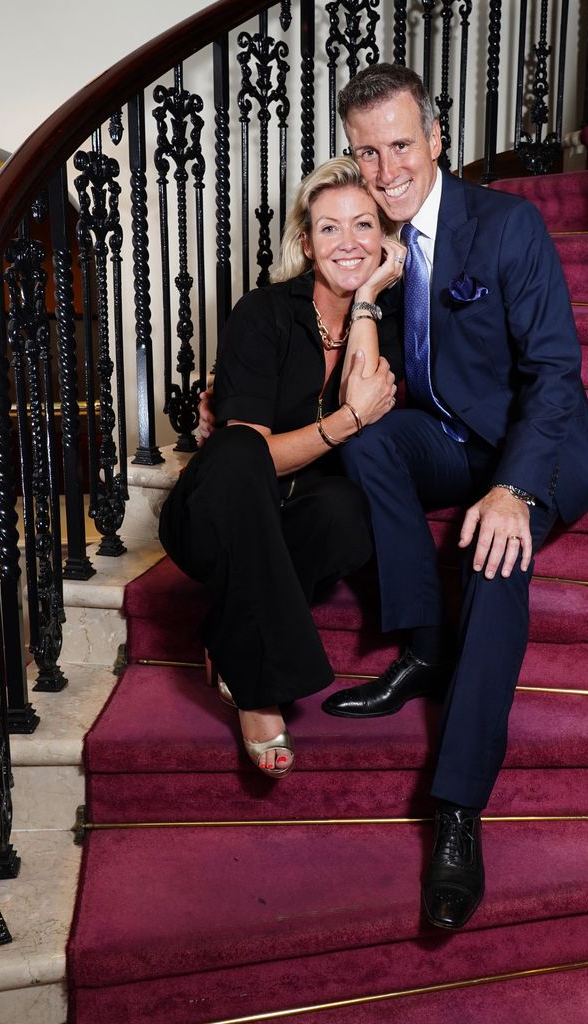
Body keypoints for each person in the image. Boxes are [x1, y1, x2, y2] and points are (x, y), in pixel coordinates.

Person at [319, 64, 588, 930]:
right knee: (364, 435)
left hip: (543, 445)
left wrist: (515, 489)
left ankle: (455, 807)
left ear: (436, 141)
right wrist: (371, 290)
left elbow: (556, 371)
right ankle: (423, 647)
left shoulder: (506, 224)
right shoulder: (377, 237)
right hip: (452, 437)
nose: (384, 169)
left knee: (493, 556)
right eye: (366, 152)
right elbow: (358, 389)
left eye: (400, 144)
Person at [159, 157, 404, 780]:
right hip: (215, 518)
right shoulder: (263, 312)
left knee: (348, 513)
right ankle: (258, 688)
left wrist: (369, 297)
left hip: (295, 527)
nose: (348, 243)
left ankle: (227, 628)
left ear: (385, 240)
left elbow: (373, 386)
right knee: (240, 451)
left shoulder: (393, 326)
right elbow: (250, 459)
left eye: (363, 226)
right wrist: (347, 420)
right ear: (305, 242)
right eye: (329, 228)